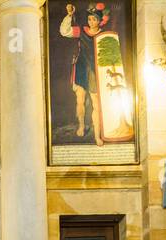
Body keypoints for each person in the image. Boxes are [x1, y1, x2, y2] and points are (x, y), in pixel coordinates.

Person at [59, 3, 108, 142]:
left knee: (96, 104)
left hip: (95, 71)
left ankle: (97, 135)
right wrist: (69, 15)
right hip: (81, 68)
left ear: (99, 21)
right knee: (80, 100)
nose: (91, 22)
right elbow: (64, 31)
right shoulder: (82, 31)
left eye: (94, 19)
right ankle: (81, 126)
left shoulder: (105, 35)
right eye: (89, 19)